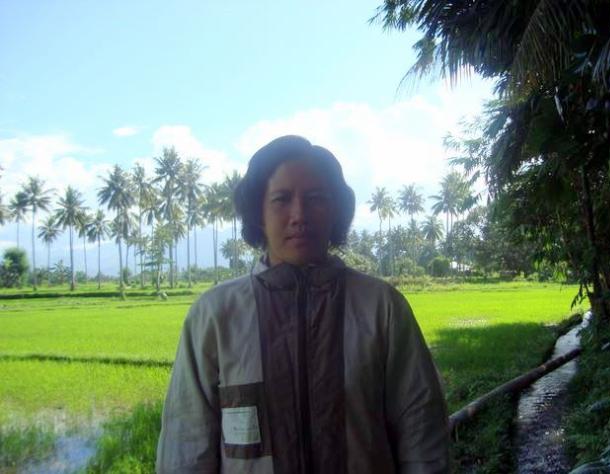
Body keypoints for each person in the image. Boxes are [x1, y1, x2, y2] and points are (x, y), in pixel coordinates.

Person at [156, 135, 449, 473]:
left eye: (315, 199)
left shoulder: (382, 308)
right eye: (281, 199)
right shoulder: (215, 316)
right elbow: (186, 445)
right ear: (259, 213)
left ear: (335, 211)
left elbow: (421, 431)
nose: (299, 215)